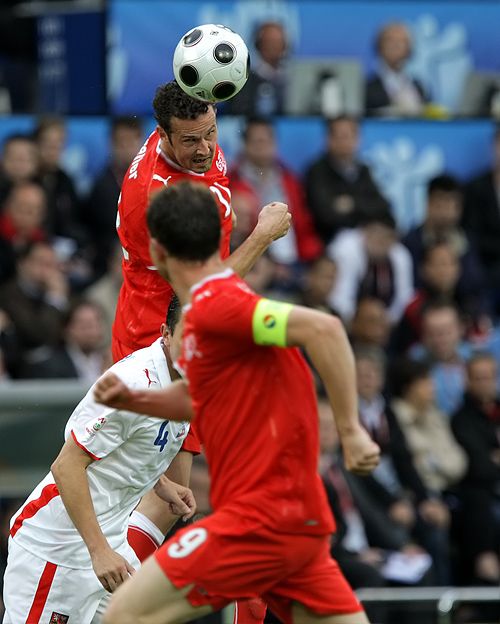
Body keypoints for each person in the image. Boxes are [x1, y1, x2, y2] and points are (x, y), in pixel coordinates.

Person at [95, 181, 380, 624]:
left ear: (157, 250)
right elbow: (200, 400)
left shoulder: (215, 306)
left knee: (121, 616)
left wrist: (350, 430)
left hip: (257, 523)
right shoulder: (206, 316)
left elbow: (323, 329)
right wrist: (134, 399)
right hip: (296, 526)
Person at [112, 80, 291, 624]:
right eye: (192, 139)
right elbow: (200, 296)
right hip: (162, 339)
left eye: (211, 133)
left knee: (253, 482)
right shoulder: (159, 199)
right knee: (168, 501)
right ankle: (105, 599)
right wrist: (261, 237)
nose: (206, 148)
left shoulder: (187, 129)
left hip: (197, 335)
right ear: (163, 135)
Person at [2, 297, 197, 624]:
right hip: (59, 551)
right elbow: (66, 466)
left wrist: (161, 485)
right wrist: (99, 551)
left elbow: (129, 444)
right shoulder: (132, 387)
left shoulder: (191, 381)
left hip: (111, 541)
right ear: (165, 333)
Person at [304, 116, 386, 245]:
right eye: (340, 136)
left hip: (367, 234)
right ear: (328, 139)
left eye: (349, 136)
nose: (345, 142)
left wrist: (352, 204)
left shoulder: (364, 170)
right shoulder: (317, 171)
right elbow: (325, 215)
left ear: (358, 139)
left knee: (397, 251)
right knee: (349, 244)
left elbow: (382, 206)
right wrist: (362, 211)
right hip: (332, 240)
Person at [365, 22, 427, 117]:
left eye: (402, 41)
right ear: (379, 46)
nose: (396, 45)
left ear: (410, 49)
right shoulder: (367, 87)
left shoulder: (419, 87)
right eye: (390, 40)